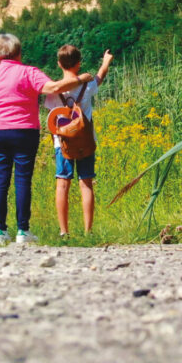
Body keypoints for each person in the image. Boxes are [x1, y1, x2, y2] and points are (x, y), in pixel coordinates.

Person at [0, 33, 93, 244]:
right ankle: (23, 231)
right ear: (19, 53)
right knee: (22, 179)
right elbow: (55, 87)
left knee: (0, 179)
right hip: (23, 130)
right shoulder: (28, 72)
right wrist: (81, 79)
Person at [44, 46, 113, 237]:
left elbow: (50, 117)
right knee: (86, 183)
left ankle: (64, 231)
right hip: (85, 142)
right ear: (79, 63)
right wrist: (105, 62)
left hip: (62, 143)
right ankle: (87, 231)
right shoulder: (87, 86)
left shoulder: (54, 91)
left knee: (62, 184)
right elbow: (99, 77)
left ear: (59, 64)